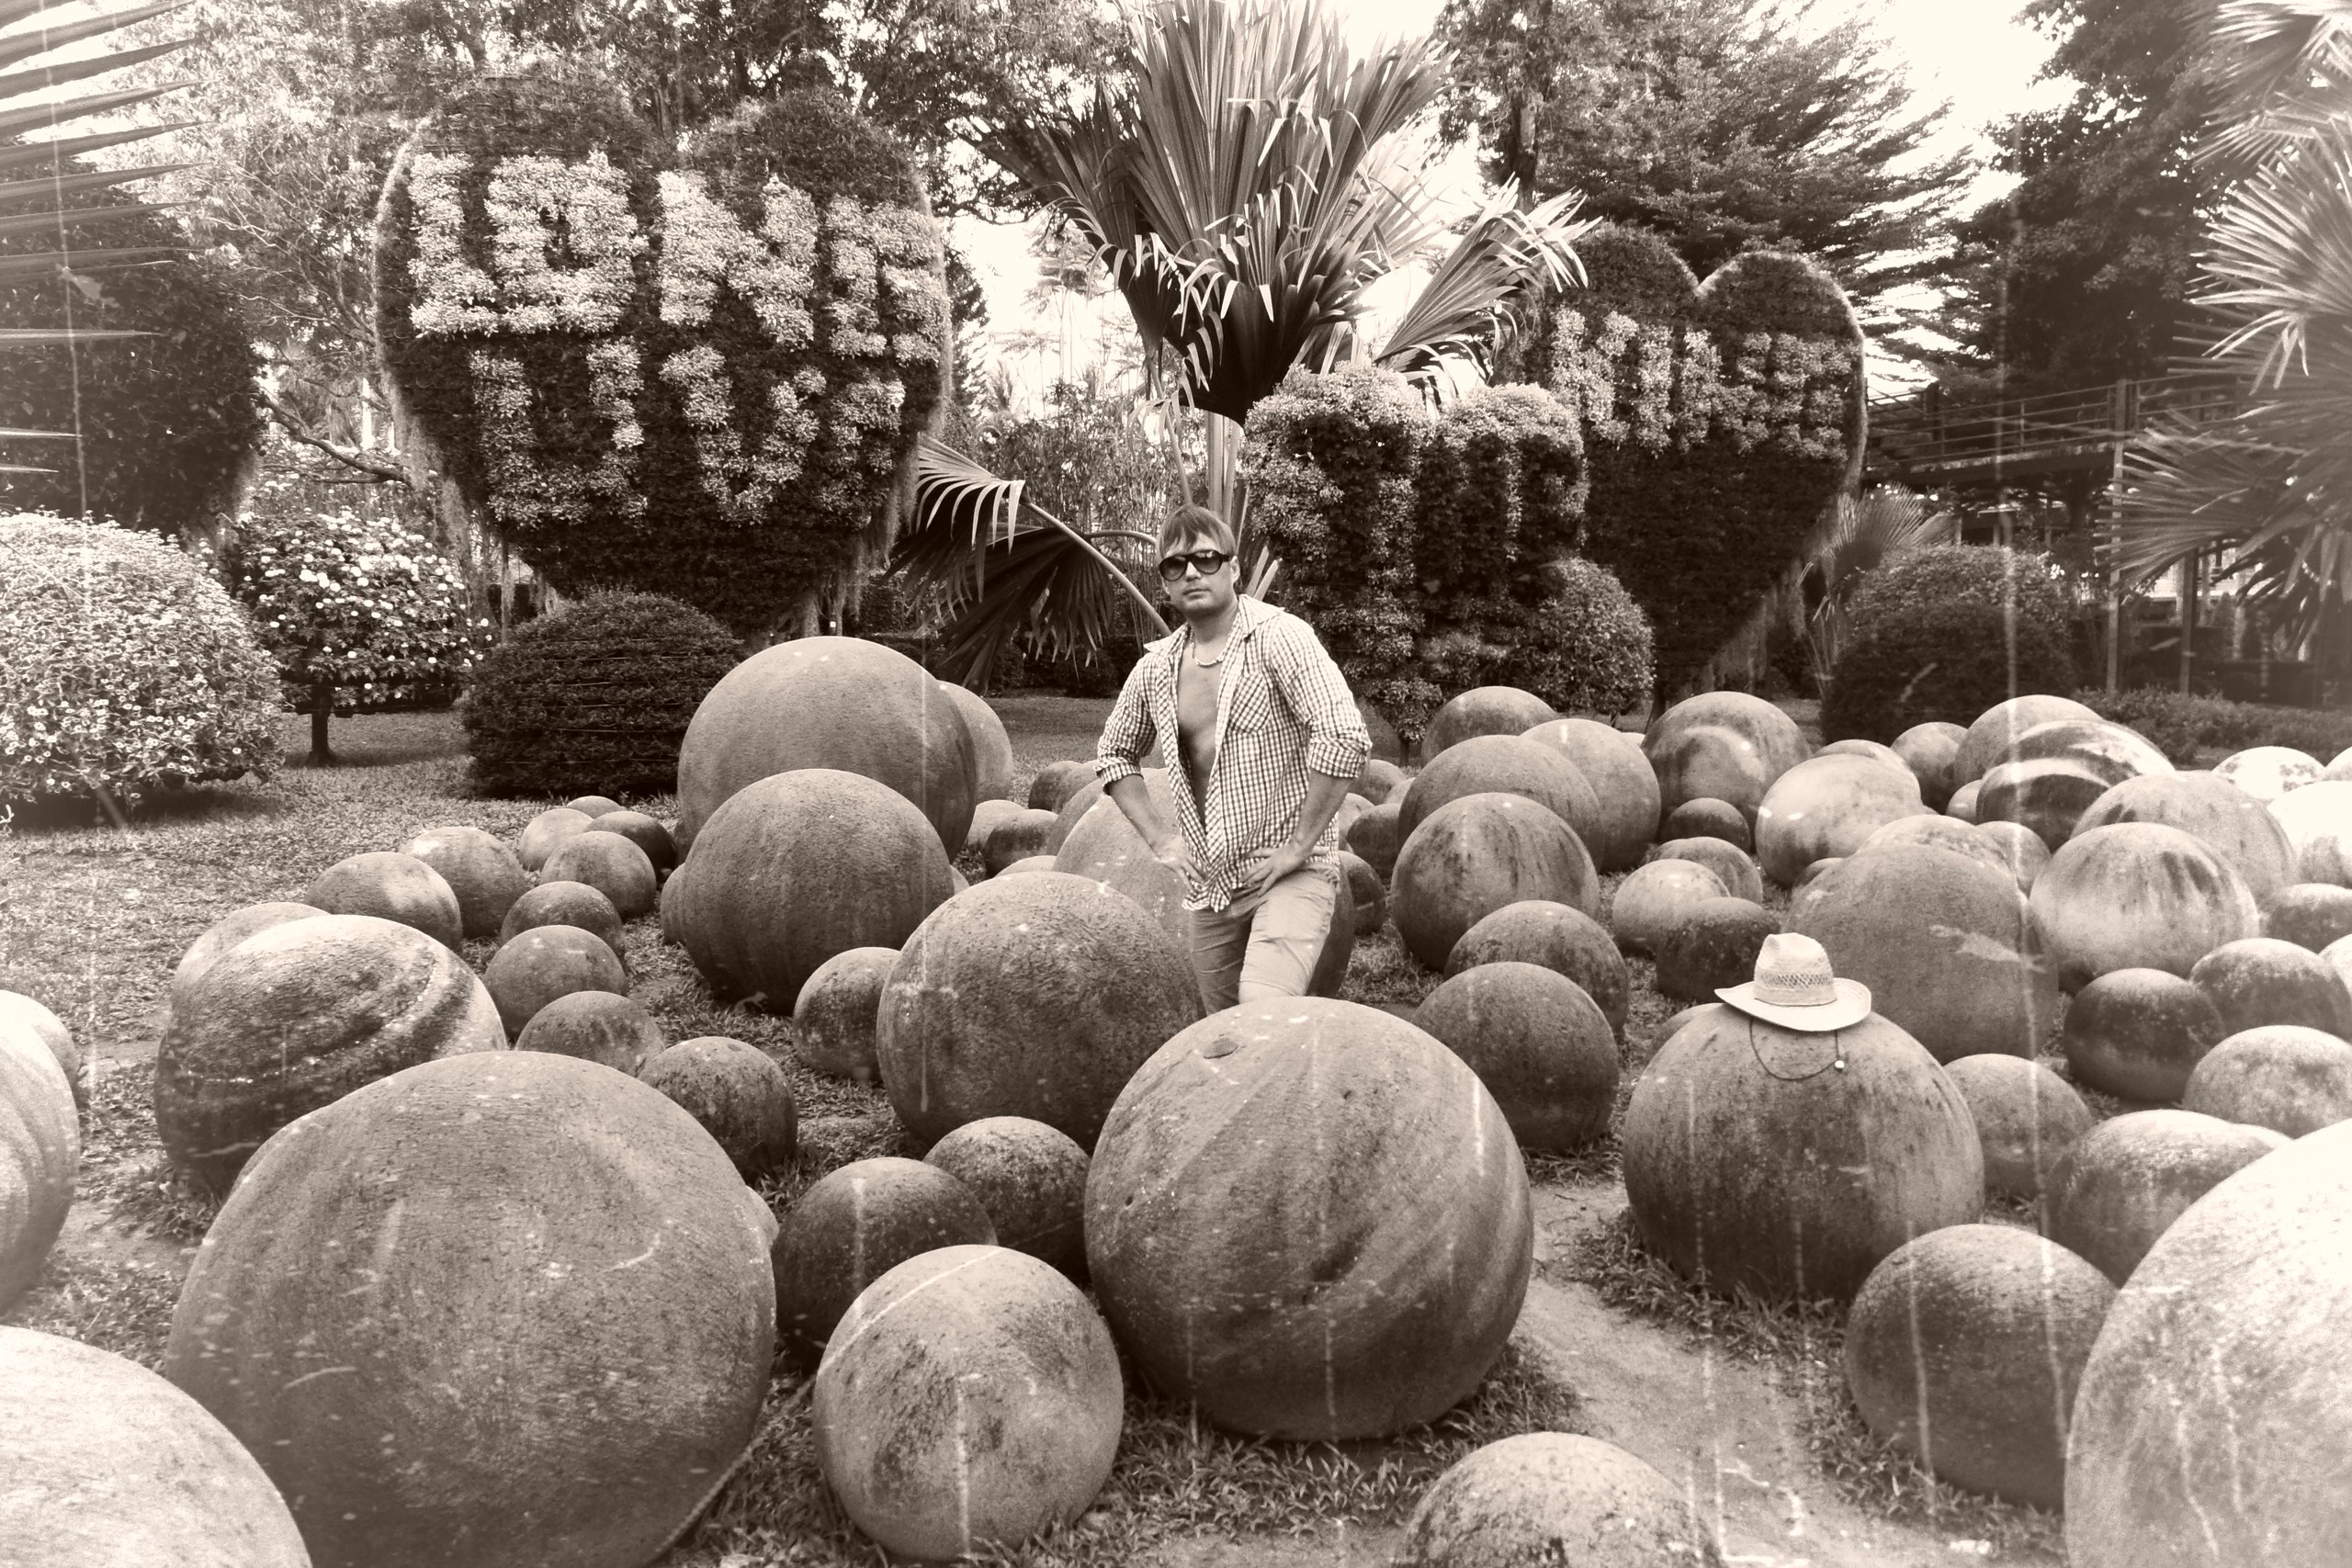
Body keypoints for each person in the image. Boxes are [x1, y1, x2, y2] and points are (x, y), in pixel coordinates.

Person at [1094, 502, 1372, 1011]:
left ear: (1234, 567)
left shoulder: (1280, 637)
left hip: (1289, 872)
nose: (1191, 572)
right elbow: (1114, 755)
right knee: (1221, 1031)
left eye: (1206, 558)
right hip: (1213, 885)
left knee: (1262, 1008)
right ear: (1165, 583)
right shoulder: (1156, 668)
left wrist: (1299, 846)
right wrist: (1161, 840)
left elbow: (1344, 735)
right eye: (1175, 565)